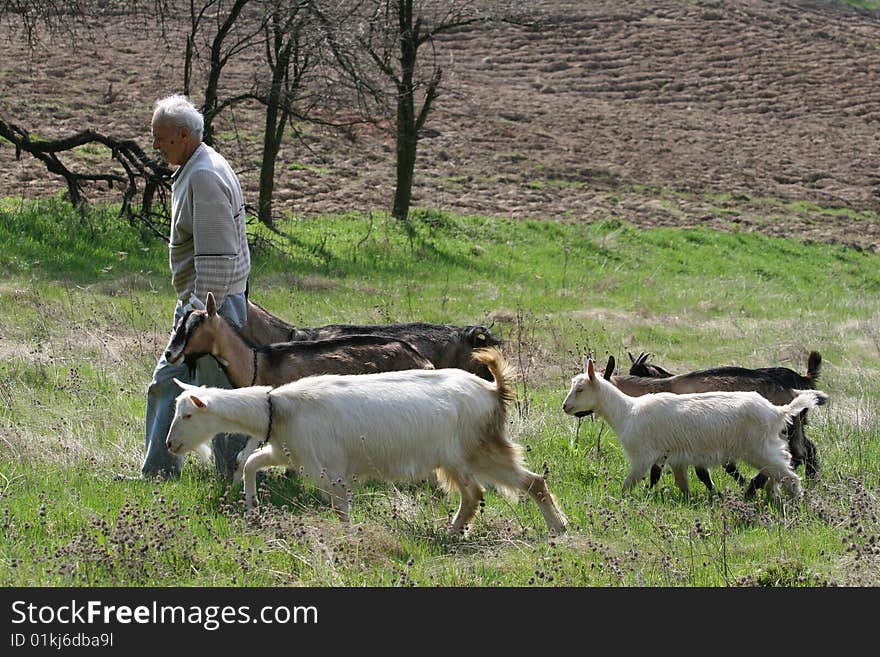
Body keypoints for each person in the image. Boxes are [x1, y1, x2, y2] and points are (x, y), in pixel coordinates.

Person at [142, 94, 251, 480]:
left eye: (160, 137)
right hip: (209, 306)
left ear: (184, 135)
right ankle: (226, 473)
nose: (155, 145)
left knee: (201, 393)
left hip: (210, 309)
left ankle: (236, 474)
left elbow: (218, 259)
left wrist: (198, 318)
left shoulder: (203, 176)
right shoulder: (198, 164)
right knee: (194, 391)